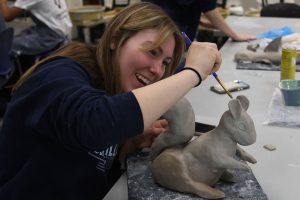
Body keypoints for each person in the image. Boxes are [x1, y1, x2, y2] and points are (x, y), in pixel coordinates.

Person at [0, 2, 221, 200]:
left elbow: (87, 165)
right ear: (115, 39)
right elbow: (94, 123)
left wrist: (127, 145)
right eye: (152, 51)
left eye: (166, 63)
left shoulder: (114, 87)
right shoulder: (59, 74)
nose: (157, 70)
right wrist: (193, 73)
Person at [142, 0, 256, 42]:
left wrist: (200, 20)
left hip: (150, 28)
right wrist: (235, 36)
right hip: (169, 37)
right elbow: (209, 9)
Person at [0, 0, 72, 56]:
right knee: (14, 37)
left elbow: (7, 16)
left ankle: (9, 73)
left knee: (5, 46)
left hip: (49, 36)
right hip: (59, 31)